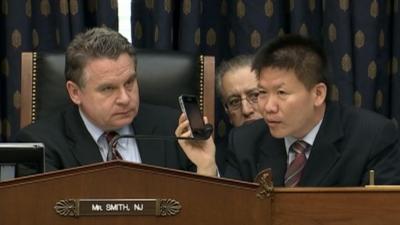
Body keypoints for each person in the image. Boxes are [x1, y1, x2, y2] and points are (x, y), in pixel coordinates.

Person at [177, 34, 400, 186]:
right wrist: (206, 166)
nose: (268, 107)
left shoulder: (374, 137)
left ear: (318, 94)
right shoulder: (245, 141)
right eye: (262, 92)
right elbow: (229, 214)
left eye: (282, 93)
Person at [15, 27, 216, 176]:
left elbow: (210, 213)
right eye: (108, 88)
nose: (125, 98)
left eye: (129, 82)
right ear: (75, 92)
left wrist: (206, 166)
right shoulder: (39, 145)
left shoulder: (176, 130)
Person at [215, 55, 263, 171]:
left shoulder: (294, 146)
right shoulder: (217, 160)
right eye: (234, 101)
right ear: (227, 111)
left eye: (255, 96)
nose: (246, 110)